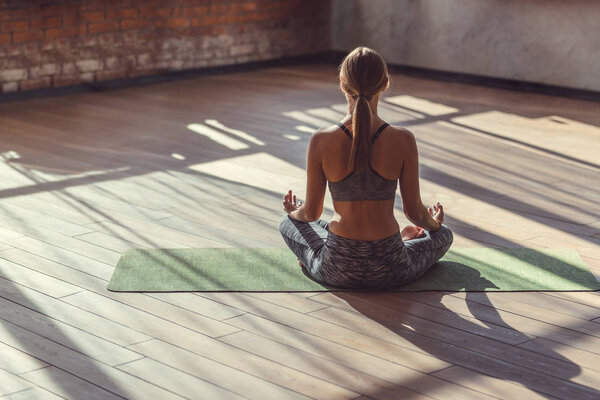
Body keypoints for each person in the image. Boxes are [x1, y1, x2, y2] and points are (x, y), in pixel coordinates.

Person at [278, 46, 453, 290]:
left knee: (287, 223)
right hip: (393, 267)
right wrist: (433, 225)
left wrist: (294, 212)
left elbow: (311, 215)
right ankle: (405, 240)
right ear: (385, 83)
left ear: (342, 83)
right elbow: (415, 213)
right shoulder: (403, 139)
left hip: (337, 268)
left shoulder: (321, 139)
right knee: (445, 235)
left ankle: (310, 260)